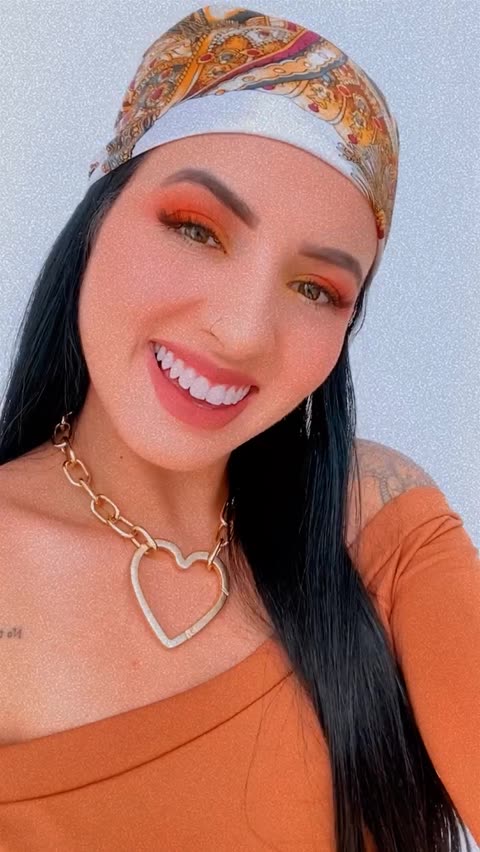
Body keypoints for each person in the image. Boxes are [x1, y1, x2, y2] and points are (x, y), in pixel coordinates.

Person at [0, 5, 478, 851]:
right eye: (196, 229)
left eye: (316, 289)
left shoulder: (373, 520)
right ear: (99, 213)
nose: (243, 331)